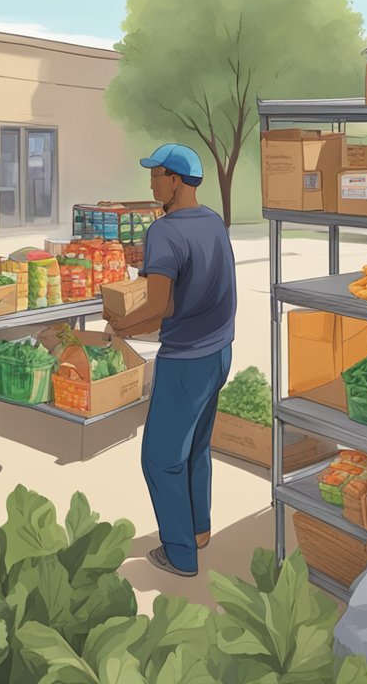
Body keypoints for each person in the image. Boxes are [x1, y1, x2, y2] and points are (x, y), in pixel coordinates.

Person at [107, 143, 237, 578]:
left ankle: (181, 554)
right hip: (220, 351)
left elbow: (158, 305)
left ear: (175, 181)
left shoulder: (164, 231)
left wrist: (121, 325)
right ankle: (199, 528)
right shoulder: (214, 222)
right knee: (197, 447)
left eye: (156, 174)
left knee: (161, 458)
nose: (150, 181)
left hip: (185, 360)